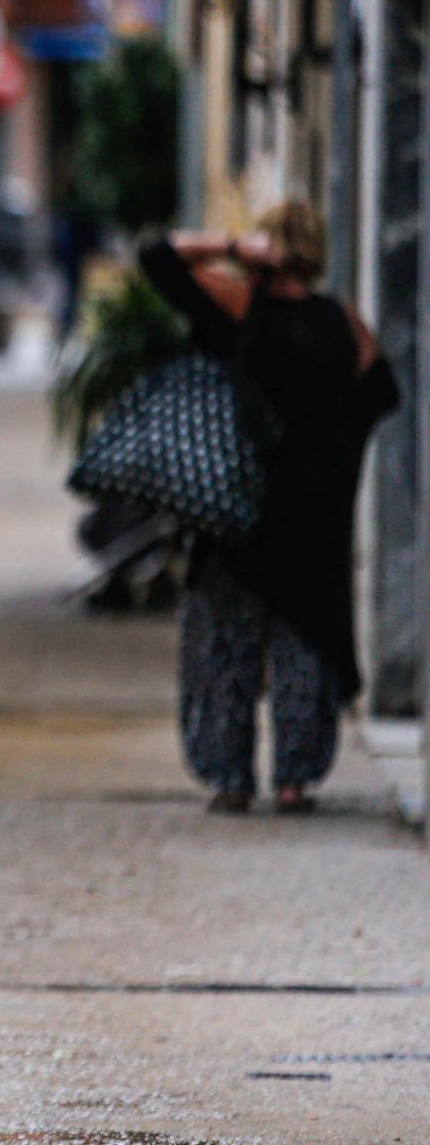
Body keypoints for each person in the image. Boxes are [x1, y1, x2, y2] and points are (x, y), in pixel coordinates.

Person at [140, 200, 399, 816]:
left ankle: (229, 779)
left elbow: (157, 258)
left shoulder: (241, 307)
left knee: (223, 646)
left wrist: (229, 248)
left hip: (238, 512)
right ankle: (294, 780)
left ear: (267, 247)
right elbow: (384, 391)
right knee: (303, 648)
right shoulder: (345, 324)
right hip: (314, 521)